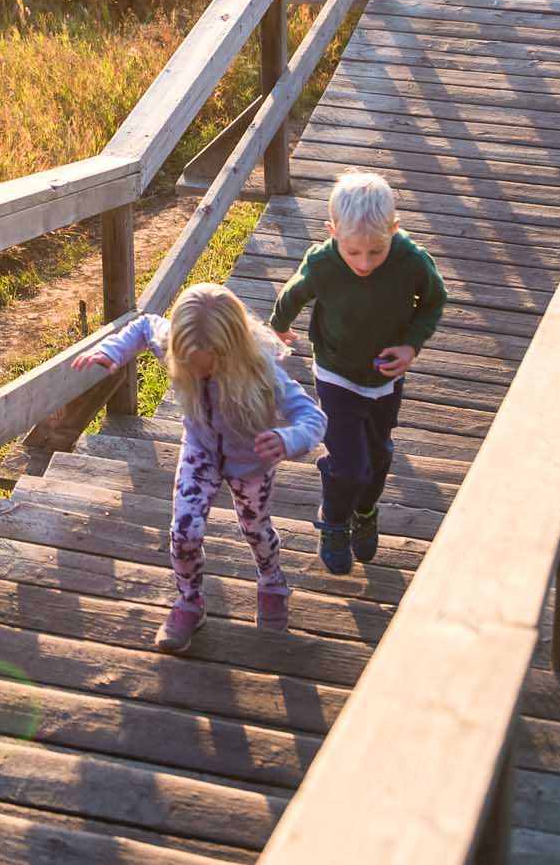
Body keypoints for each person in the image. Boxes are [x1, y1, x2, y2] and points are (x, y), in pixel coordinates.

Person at [71, 282, 325, 651]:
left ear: (233, 351)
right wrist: (113, 350)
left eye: (209, 370)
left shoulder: (262, 370)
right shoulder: (179, 344)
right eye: (191, 369)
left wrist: (288, 440)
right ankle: (190, 601)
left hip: (252, 459)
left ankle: (271, 582)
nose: (200, 375)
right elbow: (144, 327)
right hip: (200, 450)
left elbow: (313, 418)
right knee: (184, 530)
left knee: (255, 528)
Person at [271, 171, 445, 576]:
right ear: (333, 233)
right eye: (353, 252)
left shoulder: (411, 261)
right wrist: (280, 325)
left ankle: (365, 510)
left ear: (394, 230)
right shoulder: (324, 263)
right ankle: (333, 521)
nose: (364, 263)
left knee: (379, 454)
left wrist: (411, 346)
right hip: (336, 374)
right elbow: (293, 293)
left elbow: (434, 302)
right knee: (350, 464)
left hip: (386, 378)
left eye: (375, 251)